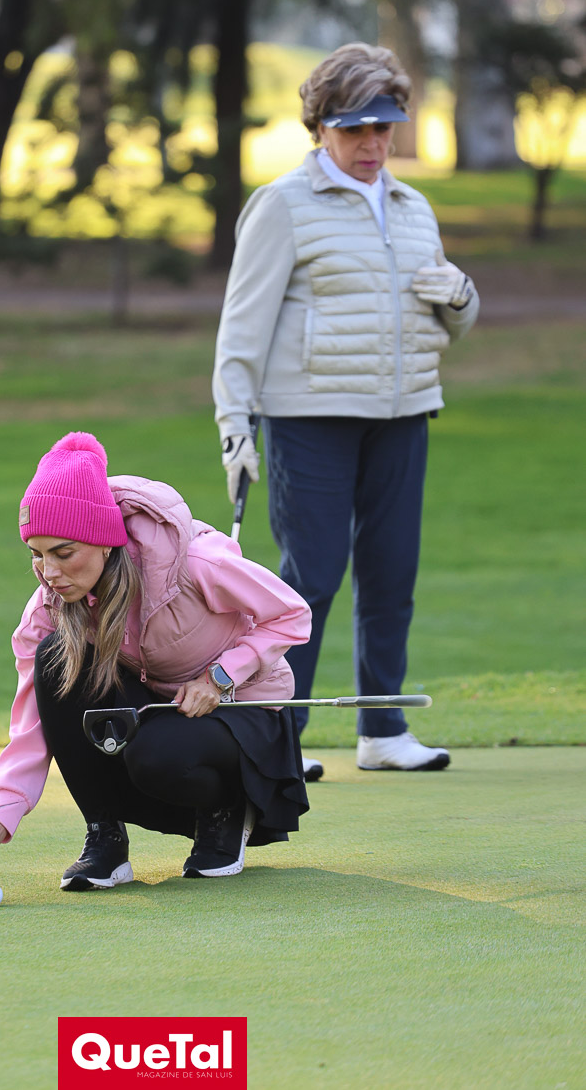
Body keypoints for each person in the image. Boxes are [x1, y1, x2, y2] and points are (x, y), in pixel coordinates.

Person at [213, 42, 479, 780]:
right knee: (311, 577)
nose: (371, 144)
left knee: (391, 575)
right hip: (309, 419)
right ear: (321, 127)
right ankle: (281, 737)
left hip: (402, 414)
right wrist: (234, 424)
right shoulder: (282, 205)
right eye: (354, 129)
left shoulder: (413, 207)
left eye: (383, 128)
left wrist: (461, 298)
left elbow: (445, 323)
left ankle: (383, 730)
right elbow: (242, 327)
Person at [0, 431, 312, 891]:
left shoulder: (196, 562)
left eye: (64, 553)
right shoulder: (48, 609)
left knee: (155, 755)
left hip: (241, 712)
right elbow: (32, 729)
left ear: (105, 542)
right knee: (55, 657)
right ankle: (104, 836)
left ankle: (225, 812)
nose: (50, 572)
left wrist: (221, 676)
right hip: (160, 708)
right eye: (38, 555)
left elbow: (292, 614)